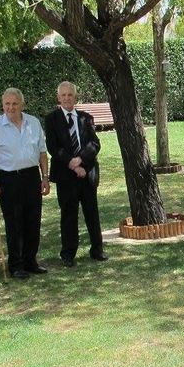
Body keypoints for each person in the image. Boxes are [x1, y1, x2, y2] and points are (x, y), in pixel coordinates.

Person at [0, 88, 50, 279]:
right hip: (9, 180)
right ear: (2, 105)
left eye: (14, 104)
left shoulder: (33, 123)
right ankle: (16, 265)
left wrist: (45, 177)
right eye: (7, 104)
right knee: (14, 223)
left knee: (33, 221)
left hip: (31, 177)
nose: (10, 107)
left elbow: (42, 153)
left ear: (22, 105)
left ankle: (31, 261)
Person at [43, 81, 106, 267]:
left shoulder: (86, 118)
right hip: (65, 176)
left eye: (70, 95)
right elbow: (53, 147)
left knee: (91, 213)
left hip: (86, 174)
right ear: (58, 98)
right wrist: (72, 163)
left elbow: (95, 144)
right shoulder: (51, 119)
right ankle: (68, 254)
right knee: (68, 214)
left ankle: (97, 250)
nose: (66, 98)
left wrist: (81, 160)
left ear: (75, 97)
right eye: (63, 95)